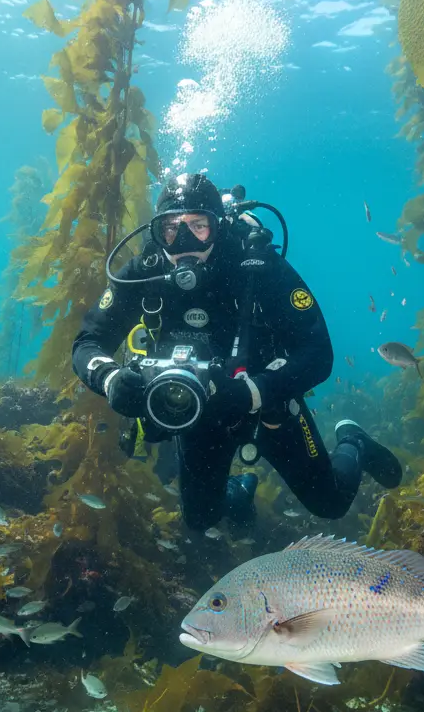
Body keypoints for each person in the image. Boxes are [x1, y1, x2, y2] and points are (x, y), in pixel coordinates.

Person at [71, 172, 402, 532]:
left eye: (199, 226)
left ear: (219, 225)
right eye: (171, 228)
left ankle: (353, 441)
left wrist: (251, 392)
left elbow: (317, 351)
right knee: (200, 519)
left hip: (268, 403)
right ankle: (241, 490)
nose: (183, 241)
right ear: (156, 230)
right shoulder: (144, 272)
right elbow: (88, 341)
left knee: (330, 502)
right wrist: (111, 378)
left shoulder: (256, 264)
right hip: (197, 410)